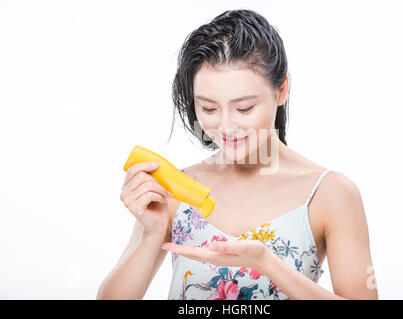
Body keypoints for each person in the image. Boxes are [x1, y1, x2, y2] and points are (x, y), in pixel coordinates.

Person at [97, 9, 378, 300]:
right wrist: (151, 234)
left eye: (244, 108)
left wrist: (266, 264)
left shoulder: (330, 193)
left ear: (281, 90)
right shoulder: (176, 189)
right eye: (208, 108)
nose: (226, 127)